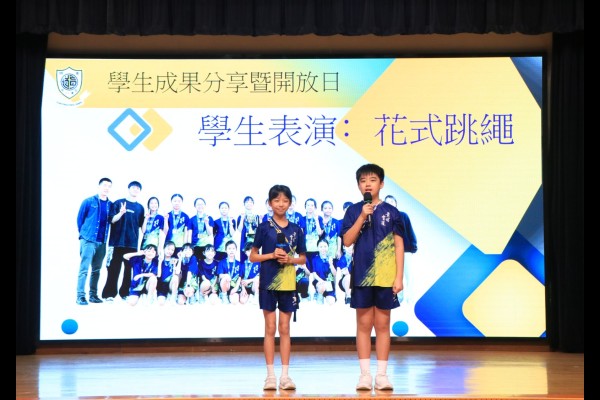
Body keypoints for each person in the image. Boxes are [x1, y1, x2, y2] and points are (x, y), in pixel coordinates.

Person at [341, 163, 417, 392]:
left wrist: (399, 277)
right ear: (358, 185)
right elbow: (347, 241)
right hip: (362, 276)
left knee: (383, 325)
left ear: (381, 184)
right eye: (363, 181)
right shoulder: (353, 211)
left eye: (372, 180)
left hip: (386, 276)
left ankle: (382, 375)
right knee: (364, 324)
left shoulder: (392, 213)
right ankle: (365, 375)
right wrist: (362, 217)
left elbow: (399, 246)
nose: (368, 184)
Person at [249, 184, 307, 391]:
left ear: (290, 203)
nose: (281, 204)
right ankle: (270, 376)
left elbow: (303, 258)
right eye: (276, 200)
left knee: (285, 328)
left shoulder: (296, 229)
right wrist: (272, 255)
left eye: (285, 200)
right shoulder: (264, 227)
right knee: (270, 328)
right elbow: (252, 256)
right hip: (268, 283)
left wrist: (291, 259)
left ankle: (285, 376)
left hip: (288, 284)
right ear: (269, 203)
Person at [102, 180, 145, 302]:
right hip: (116, 242)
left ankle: (125, 293)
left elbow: (141, 227)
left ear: (139, 191)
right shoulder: (118, 203)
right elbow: (112, 220)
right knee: (113, 268)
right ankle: (109, 294)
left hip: (132, 244)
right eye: (133, 187)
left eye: (137, 188)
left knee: (128, 270)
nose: (135, 190)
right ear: (129, 189)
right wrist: (121, 213)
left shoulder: (140, 208)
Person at [75, 177, 113, 305]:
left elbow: (111, 220)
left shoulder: (110, 204)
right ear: (99, 186)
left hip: (102, 241)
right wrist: (84, 235)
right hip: (88, 240)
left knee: (96, 270)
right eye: (104, 185)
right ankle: (80, 296)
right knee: (84, 269)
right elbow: (80, 219)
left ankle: (93, 295)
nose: (106, 188)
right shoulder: (88, 201)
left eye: (109, 186)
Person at [310, 237, 337, 305]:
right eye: (321, 247)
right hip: (319, 281)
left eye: (325, 246)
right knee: (321, 288)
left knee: (331, 302)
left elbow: (335, 274)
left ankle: (327, 294)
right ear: (318, 248)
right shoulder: (314, 259)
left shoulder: (331, 258)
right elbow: (314, 274)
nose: (323, 249)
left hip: (329, 283)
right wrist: (322, 281)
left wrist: (331, 264)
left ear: (328, 247)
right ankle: (319, 294)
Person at [189, 197, 214, 262]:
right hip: (195, 246)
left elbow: (210, 233)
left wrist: (206, 223)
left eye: (202, 204)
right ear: (195, 206)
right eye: (198, 204)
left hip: (206, 247)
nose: (200, 206)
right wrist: (189, 247)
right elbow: (189, 234)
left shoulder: (209, 218)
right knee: (195, 263)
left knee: (204, 264)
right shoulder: (192, 219)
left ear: (205, 205)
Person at [156, 240, 180, 305]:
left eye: (172, 250)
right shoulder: (158, 259)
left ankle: (173, 296)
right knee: (161, 302)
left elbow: (175, 274)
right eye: (168, 249)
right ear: (164, 249)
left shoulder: (174, 260)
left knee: (175, 277)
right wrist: (160, 262)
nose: (170, 251)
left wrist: (175, 264)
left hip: (170, 284)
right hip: (161, 285)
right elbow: (158, 275)